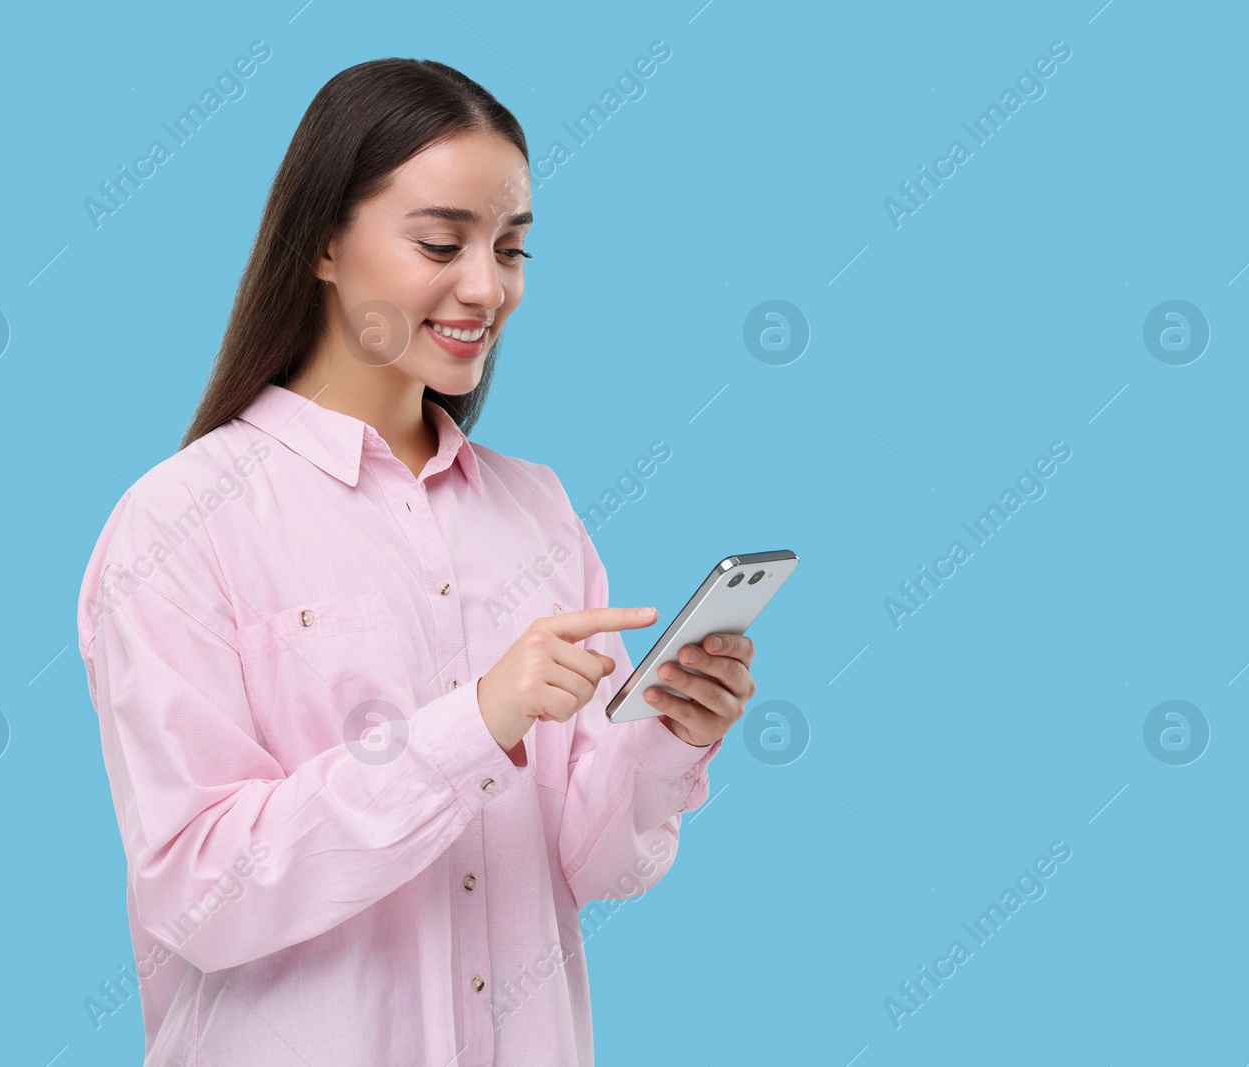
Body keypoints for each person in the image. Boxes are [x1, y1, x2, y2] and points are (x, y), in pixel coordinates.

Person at [74, 57, 759, 1066]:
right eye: (441, 242)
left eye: (512, 249)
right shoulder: (179, 522)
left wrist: (663, 735)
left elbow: (591, 859)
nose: (486, 287)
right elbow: (198, 889)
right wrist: (473, 723)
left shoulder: (539, 512)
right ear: (321, 241)